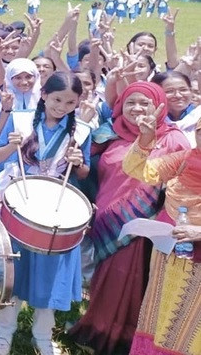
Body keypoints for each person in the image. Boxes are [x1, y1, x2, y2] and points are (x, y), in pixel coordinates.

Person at [70, 82, 190, 354]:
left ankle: (128, 338)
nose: (137, 109)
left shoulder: (173, 139)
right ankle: (98, 327)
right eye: (130, 102)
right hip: (106, 222)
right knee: (104, 281)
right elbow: (87, 173)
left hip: (147, 228)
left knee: (135, 283)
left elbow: (183, 183)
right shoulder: (107, 134)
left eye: (144, 103)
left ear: (158, 106)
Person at [0, 72, 91, 355]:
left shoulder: (81, 130)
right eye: (57, 99)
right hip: (20, 203)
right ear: (44, 94)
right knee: (13, 272)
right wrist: (11, 144)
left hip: (56, 209)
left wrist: (79, 162)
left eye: (70, 102)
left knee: (51, 275)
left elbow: (83, 174)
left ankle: (43, 334)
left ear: (77, 103)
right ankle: (4, 331)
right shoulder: (21, 119)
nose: (61, 107)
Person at [123, 109, 201, 355]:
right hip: (171, 251)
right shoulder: (185, 159)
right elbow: (138, 169)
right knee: (160, 320)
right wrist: (145, 139)